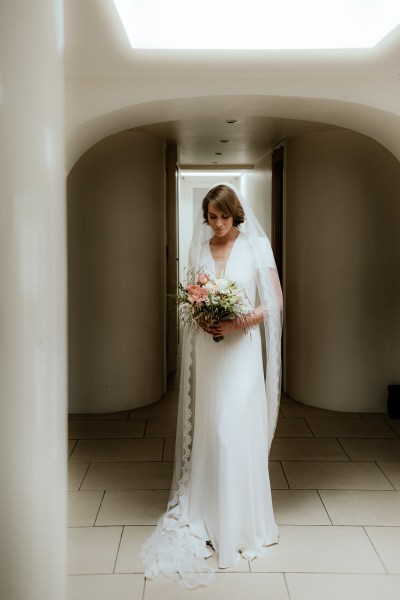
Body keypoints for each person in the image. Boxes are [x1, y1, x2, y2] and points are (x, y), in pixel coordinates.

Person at [141, 183, 283, 588]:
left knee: (232, 431)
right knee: (210, 428)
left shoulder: (256, 245)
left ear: (235, 213)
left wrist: (237, 322)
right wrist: (202, 316)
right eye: (211, 217)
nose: (217, 224)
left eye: (222, 216)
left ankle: (241, 524)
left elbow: (274, 302)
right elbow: (194, 296)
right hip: (209, 352)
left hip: (240, 355)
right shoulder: (201, 250)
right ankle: (205, 510)